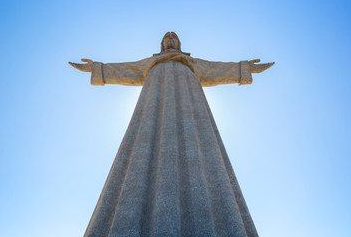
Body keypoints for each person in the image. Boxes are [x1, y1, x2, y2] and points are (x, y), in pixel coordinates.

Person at [70, 32, 273, 237]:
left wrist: (244, 68)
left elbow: (216, 69)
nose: (170, 39)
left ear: (178, 43)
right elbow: (125, 70)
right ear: (161, 45)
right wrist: (98, 68)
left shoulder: (190, 63)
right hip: (153, 100)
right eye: (166, 38)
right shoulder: (151, 63)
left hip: (191, 101)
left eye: (173, 37)